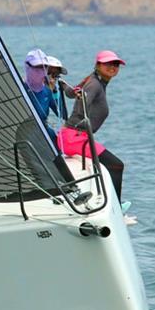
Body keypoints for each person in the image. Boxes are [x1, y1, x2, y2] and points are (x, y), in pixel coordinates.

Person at [57, 50, 127, 205]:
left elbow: (70, 93)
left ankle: (111, 203)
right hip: (74, 138)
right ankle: (115, 207)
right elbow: (81, 107)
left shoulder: (94, 81)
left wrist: (62, 84)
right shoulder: (95, 84)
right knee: (116, 165)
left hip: (74, 136)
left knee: (114, 165)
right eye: (108, 63)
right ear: (98, 65)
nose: (112, 67)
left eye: (115, 64)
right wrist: (83, 101)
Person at [23, 49, 58, 143]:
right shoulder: (20, 89)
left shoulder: (47, 91)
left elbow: (61, 114)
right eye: (37, 67)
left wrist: (55, 91)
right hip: (25, 137)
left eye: (44, 67)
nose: (41, 71)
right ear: (27, 67)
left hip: (44, 135)